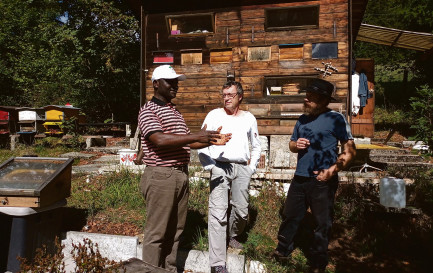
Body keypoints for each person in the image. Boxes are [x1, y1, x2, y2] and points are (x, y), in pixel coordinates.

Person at [137, 65, 231, 272]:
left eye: (176, 81)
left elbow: (186, 142)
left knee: (175, 230)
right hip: (161, 175)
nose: (175, 85)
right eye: (170, 81)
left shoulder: (174, 111)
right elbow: (159, 139)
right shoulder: (148, 110)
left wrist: (211, 140)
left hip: (180, 174)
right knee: (156, 234)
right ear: (155, 84)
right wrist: (197, 135)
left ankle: (169, 269)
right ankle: (151, 270)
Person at [272, 79, 356, 273]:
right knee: (290, 216)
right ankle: (282, 250)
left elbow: (350, 150)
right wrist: (296, 145)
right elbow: (291, 145)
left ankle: (318, 262)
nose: (306, 98)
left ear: (324, 99)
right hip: (300, 177)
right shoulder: (302, 119)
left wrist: (332, 170)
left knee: (322, 222)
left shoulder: (336, 118)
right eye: (306, 94)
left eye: (311, 96)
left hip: (322, 180)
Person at [198, 81, 261, 273]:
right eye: (224, 94)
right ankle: (217, 263)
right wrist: (209, 165)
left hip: (242, 168)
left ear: (240, 97)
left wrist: (251, 168)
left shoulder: (249, 118)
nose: (226, 98)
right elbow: (201, 140)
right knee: (218, 212)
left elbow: (257, 146)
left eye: (230, 95)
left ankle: (232, 234)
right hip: (219, 166)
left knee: (242, 210)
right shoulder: (214, 115)